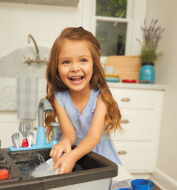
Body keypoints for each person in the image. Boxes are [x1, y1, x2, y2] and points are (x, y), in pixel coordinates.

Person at [45, 26, 123, 174]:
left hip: (100, 158)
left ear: (94, 66)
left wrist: (72, 157)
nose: (75, 68)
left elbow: (93, 137)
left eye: (83, 60)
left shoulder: (101, 98)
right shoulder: (59, 98)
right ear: (56, 69)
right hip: (74, 157)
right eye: (66, 62)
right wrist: (65, 141)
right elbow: (69, 133)